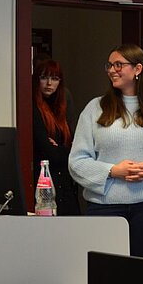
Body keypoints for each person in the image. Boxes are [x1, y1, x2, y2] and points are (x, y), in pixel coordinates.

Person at [69, 44, 143, 259]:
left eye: (119, 65)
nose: (112, 70)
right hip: (105, 209)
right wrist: (113, 171)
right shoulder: (95, 108)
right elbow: (77, 162)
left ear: (138, 69)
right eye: (109, 65)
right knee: (106, 271)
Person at [32, 59, 80, 215]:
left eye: (54, 78)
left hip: (64, 181)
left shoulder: (62, 106)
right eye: (44, 78)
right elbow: (48, 152)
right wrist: (65, 150)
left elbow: (76, 148)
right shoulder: (33, 107)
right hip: (44, 181)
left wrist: (60, 149)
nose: (49, 83)